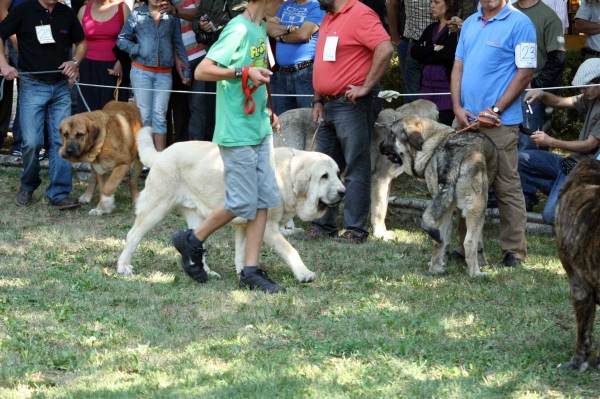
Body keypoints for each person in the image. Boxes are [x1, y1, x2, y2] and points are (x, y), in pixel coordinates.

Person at [170, 0, 287, 293]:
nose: (284, 2)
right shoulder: (238, 30)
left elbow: (257, 74)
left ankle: (250, 271)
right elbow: (203, 71)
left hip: (258, 127)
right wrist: (240, 72)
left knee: (263, 200)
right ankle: (192, 240)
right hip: (237, 132)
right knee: (241, 202)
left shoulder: (260, 27)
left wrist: (267, 110)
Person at [451, 0, 535, 266]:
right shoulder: (471, 23)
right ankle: (466, 248)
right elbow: (458, 66)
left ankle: (513, 252)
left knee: (506, 186)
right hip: (465, 120)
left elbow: (525, 72)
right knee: (461, 184)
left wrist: (496, 109)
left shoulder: (521, 23)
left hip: (500, 123)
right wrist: (456, 107)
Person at [301, 0, 393, 243]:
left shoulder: (361, 14)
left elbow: (385, 48)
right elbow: (323, 62)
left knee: (355, 167)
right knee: (323, 167)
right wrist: (317, 99)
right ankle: (323, 225)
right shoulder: (329, 16)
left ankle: (355, 229)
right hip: (329, 104)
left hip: (351, 104)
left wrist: (366, 87)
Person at [0, 0, 87, 209]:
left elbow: (82, 43)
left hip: (60, 87)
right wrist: (3, 64)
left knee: (62, 142)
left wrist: (74, 62)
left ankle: (59, 194)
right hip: (32, 85)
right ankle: (28, 184)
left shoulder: (66, 12)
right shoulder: (23, 10)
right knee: (31, 142)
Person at [519, 58, 600, 225]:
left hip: (586, 172)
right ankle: (572, 195)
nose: (582, 90)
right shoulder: (591, 97)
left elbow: (589, 145)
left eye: (586, 86)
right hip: (570, 164)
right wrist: (541, 93)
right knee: (519, 159)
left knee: (551, 216)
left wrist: (551, 141)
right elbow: (558, 102)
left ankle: (586, 201)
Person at [512, 0, 565, 209]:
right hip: (505, 89)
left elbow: (558, 57)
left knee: (529, 142)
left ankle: (526, 195)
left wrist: (537, 85)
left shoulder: (548, 16)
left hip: (531, 91)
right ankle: (502, 191)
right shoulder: (508, 12)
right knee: (505, 140)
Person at [117, 0, 190, 152]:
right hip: (141, 71)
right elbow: (121, 40)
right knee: (143, 115)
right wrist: (137, 49)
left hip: (164, 74)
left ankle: (159, 160)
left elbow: (178, 42)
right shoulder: (136, 14)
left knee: (160, 116)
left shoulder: (171, 15)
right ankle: (144, 157)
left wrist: (185, 70)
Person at [161, 0, 216, 143]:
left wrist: (175, 11)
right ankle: (186, 151)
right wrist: (177, 58)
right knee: (181, 110)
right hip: (179, 60)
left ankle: (197, 150)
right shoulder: (167, 2)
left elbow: (201, 15)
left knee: (198, 108)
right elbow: (169, 33)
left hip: (200, 57)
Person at [266, 0, 325, 115]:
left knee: (307, 120)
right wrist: (290, 28)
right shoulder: (286, 5)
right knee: (280, 123)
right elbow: (267, 27)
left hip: (306, 74)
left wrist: (281, 37)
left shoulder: (317, 6)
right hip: (280, 75)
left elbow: (303, 34)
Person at [410, 0, 459, 126]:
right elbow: (414, 52)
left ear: (449, 5)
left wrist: (426, 54)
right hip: (426, 89)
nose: (432, 6)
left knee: (445, 128)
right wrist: (433, 48)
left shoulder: (455, 29)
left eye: (436, 2)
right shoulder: (431, 28)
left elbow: (447, 55)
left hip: (446, 91)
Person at [77, 0, 130, 112]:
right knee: (88, 112)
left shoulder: (122, 8)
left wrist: (121, 61)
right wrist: (76, 66)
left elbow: (130, 38)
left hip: (114, 67)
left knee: (113, 113)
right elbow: (77, 42)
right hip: (88, 67)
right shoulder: (83, 10)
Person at [399, 0, 434, 103]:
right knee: (412, 92)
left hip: (435, 44)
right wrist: (396, 39)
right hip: (414, 44)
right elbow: (393, 6)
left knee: (433, 88)